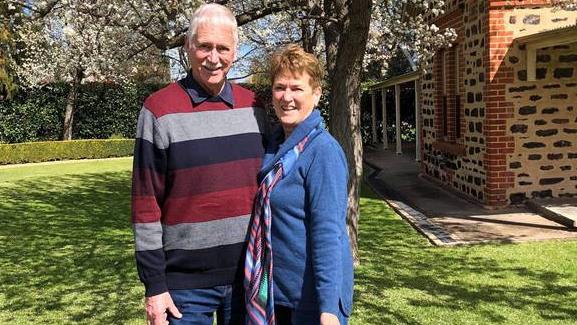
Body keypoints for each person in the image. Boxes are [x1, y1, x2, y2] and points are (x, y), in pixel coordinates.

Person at [131, 4, 268, 325]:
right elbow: (145, 205)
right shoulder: (158, 111)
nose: (214, 57)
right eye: (204, 46)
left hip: (249, 276)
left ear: (235, 51)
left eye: (223, 48)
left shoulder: (256, 108)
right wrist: (154, 286)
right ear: (187, 47)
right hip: (183, 288)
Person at [244, 44, 353, 325]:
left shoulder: (322, 151)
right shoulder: (276, 146)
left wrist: (328, 308)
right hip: (276, 294)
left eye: (296, 88)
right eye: (280, 88)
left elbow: (329, 232)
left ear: (316, 94)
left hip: (311, 302)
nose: (286, 97)